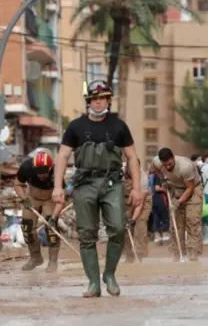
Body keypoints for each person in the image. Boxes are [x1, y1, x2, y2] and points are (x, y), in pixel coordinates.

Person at [52, 79, 143, 298]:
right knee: (87, 234)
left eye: (103, 98)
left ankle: (109, 275)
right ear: (88, 101)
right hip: (84, 184)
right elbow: (63, 156)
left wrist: (137, 188)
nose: (99, 102)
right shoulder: (75, 127)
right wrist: (58, 186)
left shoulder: (119, 126)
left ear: (109, 100)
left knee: (118, 229)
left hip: (112, 183)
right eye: (95, 98)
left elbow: (132, 157)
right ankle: (93, 282)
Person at [151, 148, 204, 262]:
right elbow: (154, 169)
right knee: (177, 224)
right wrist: (163, 180)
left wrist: (178, 202)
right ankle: (178, 253)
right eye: (165, 165)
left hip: (193, 189)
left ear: (173, 158)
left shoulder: (185, 167)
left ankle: (193, 254)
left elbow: (190, 188)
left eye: (170, 164)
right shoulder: (157, 162)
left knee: (192, 221)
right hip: (176, 188)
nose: (168, 167)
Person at [15, 149, 62, 273]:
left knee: (51, 229)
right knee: (27, 226)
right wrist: (24, 198)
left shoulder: (57, 172)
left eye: (44, 173)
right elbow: (17, 184)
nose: (41, 176)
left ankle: (53, 261)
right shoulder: (26, 167)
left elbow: (60, 200)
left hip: (50, 198)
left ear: (50, 168)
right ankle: (35, 257)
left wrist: (54, 217)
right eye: (38, 173)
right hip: (32, 197)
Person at [122, 159, 152, 263]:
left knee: (139, 225)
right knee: (125, 228)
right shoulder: (120, 174)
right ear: (127, 168)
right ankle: (129, 257)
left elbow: (140, 203)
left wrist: (133, 220)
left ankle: (139, 256)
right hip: (126, 200)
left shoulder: (143, 178)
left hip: (143, 201)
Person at [195, 152, 208, 245]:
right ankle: (205, 238)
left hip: (200, 194)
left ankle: (201, 237)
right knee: (207, 217)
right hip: (207, 194)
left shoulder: (199, 167)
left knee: (201, 217)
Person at [151, 171, 170, 243]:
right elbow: (157, 188)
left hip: (156, 198)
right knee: (163, 216)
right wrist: (166, 189)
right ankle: (163, 234)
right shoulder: (159, 175)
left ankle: (157, 235)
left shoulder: (157, 175)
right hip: (161, 198)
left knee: (156, 217)